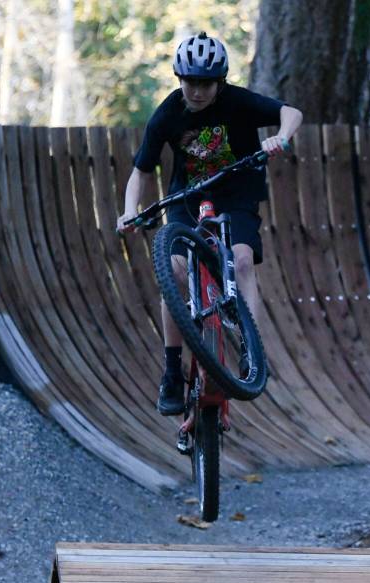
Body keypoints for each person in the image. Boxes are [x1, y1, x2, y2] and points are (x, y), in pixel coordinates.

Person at [116, 32, 303, 415]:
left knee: (243, 260)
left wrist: (281, 138)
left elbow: (291, 112)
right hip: (188, 199)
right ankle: (171, 371)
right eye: (191, 82)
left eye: (207, 83)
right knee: (175, 269)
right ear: (179, 78)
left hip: (237, 194)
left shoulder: (238, 101)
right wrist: (128, 210)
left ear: (220, 82)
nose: (198, 91)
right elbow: (141, 170)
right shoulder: (168, 113)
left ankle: (252, 349)